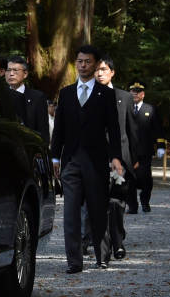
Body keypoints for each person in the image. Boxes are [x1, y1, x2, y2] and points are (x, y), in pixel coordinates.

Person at [50, 45, 124, 273]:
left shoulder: (106, 94)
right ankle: (74, 261)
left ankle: (102, 256)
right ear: (76, 64)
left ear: (95, 64)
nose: (83, 65)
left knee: (98, 208)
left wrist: (116, 158)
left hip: (96, 161)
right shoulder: (66, 93)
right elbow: (59, 128)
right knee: (70, 212)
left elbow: (113, 128)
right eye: (79, 61)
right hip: (71, 160)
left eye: (87, 62)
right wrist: (54, 158)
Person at [94, 57, 139, 262]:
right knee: (100, 204)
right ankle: (103, 250)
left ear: (112, 72)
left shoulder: (124, 97)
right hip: (95, 158)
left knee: (117, 204)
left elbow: (132, 130)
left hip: (120, 160)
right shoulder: (87, 95)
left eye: (103, 69)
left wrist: (134, 159)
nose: (99, 73)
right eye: (96, 70)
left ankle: (118, 240)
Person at [127, 82, 163, 212]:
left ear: (143, 94)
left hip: (145, 151)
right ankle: (132, 205)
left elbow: (158, 129)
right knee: (129, 179)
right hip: (129, 151)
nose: (135, 93)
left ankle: (144, 200)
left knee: (146, 178)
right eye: (132, 91)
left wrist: (160, 146)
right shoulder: (125, 108)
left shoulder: (150, 109)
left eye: (137, 91)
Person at [4, 55, 50, 142]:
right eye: (8, 70)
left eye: (15, 70)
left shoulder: (37, 97)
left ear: (25, 74)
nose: (11, 74)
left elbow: (43, 130)